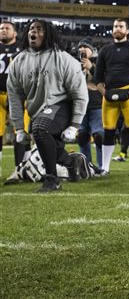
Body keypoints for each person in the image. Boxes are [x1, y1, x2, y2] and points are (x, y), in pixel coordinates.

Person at [7, 19, 88, 192]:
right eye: (30, 29)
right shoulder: (19, 61)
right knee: (47, 140)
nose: (33, 32)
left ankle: (52, 179)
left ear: (48, 34)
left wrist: (74, 125)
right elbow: (13, 96)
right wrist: (19, 128)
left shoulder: (63, 59)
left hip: (63, 106)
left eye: (39, 29)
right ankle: (71, 162)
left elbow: (80, 94)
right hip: (38, 110)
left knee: (40, 129)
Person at [93, 18, 129, 177]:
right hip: (108, 96)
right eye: (115, 26)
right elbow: (97, 79)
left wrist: (128, 93)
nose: (117, 28)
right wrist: (105, 93)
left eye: (121, 26)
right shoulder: (104, 50)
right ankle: (106, 168)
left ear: (127, 31)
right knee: (108, 132)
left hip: (128, 94)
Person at [1, 21, 31, 177]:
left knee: (21, 131)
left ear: (15, 33)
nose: (3, 30)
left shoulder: (21, 51)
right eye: (1, 28)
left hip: (17, 96)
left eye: (7, 28)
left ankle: (21, 169)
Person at [75, 38, 104, 169]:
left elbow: (104, 80)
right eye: (80, 47)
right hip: (80, 104)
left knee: (99, 136)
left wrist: (91, 68)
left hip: (96, 103)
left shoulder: (101, 62)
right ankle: (86, 167)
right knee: (82, 136)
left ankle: (103, 166)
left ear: (92, 50)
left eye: (85, 47)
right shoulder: (74, 64)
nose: (81, 49)